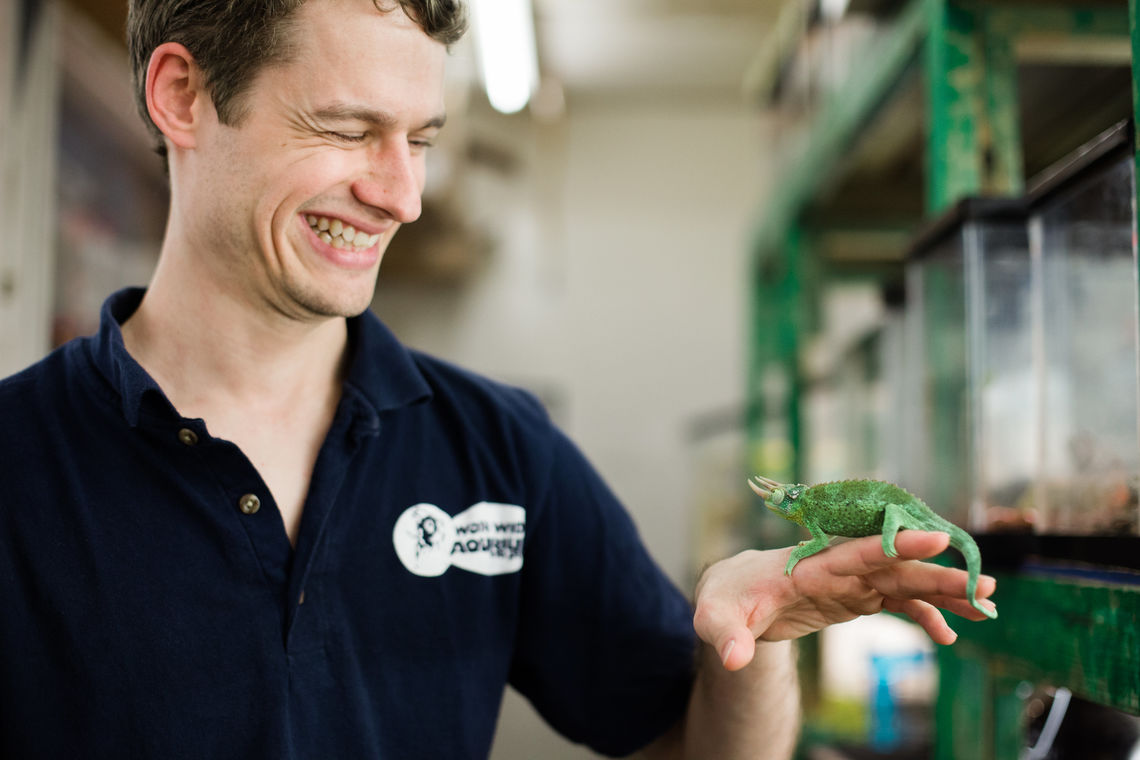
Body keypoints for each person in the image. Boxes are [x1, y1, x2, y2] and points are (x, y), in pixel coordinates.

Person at [0, 0, 996, 757]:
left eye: (421, 140)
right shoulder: (19, 466)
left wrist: (761, 638)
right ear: (182, 96)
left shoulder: (501, 453)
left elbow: (686, 744)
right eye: (349, 130)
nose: (403, 194)